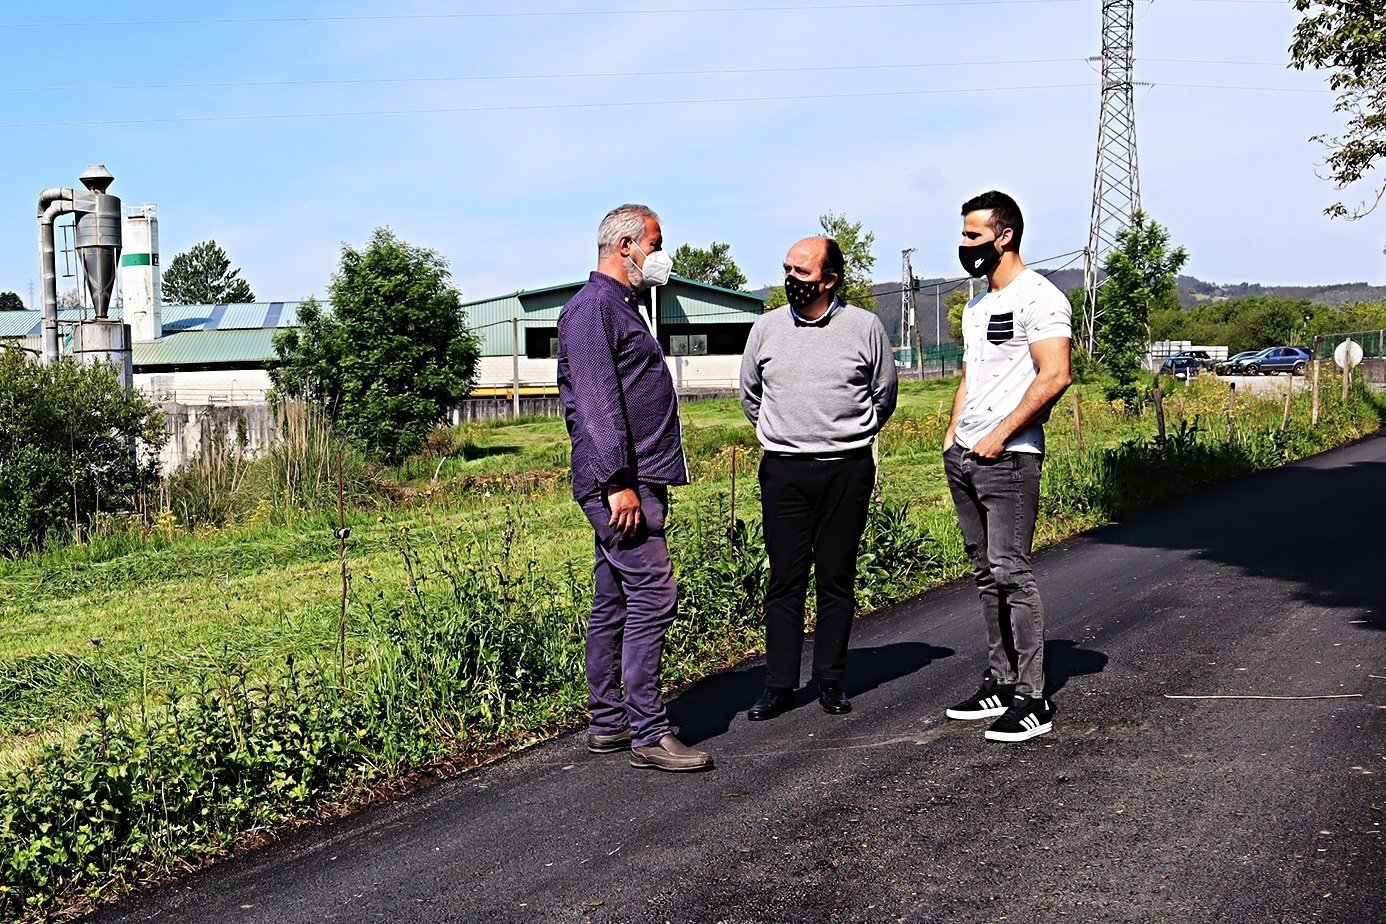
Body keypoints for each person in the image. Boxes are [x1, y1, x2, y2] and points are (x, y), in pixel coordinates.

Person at [556, 203, 713, 772]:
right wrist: (618, 483)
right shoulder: (592, 310)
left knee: (616, 597)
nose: (661, 253)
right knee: (654, 593)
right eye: (656, 242)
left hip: (635, 477)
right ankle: (649, 731)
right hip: (622, 483)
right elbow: (597, 405)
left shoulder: (621, 306)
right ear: (626, 246)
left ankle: (608, 721)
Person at [739, 236, 898, 721]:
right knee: (785, 579)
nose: (791, 279)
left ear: (829, 279)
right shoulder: (766, 328)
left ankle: (831, 681)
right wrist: (788, 434)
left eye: (802, 272)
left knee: (836, 577)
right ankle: (779, 686)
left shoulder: (864, 327)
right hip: (784, 470)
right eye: (788, 269)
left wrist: (847, 434)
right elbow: (750, 395)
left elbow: (884, 394)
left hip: (846, 469)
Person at [942, 191, 1072, 743]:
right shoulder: (976, 307)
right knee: (985, 574)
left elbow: (1055, 375)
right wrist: (953, 435)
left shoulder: (1040, 297)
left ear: (1005, 235)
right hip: (965, 456)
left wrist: (1000, 436)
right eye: (963, 234)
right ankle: (999, 681)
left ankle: (1031, 698)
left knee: (1011, 571)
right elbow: (971, 376)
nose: (964, 244)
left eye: (973, 235)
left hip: (1010, 457)